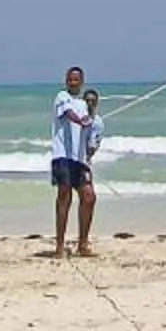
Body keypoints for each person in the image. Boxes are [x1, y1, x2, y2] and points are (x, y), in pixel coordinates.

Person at [50, 62, 96, 258]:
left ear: (82, 82)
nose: (73, 82)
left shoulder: (84, 105)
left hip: (79, 160)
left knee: (89, 197)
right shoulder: (62, 97)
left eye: (76, 80)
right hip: (63, 157)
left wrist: (91, 149)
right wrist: (80, 120)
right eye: (70, 79)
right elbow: (69, 115)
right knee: (65, 198)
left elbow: (87, 133)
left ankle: (82, 244)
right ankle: (60, 246)